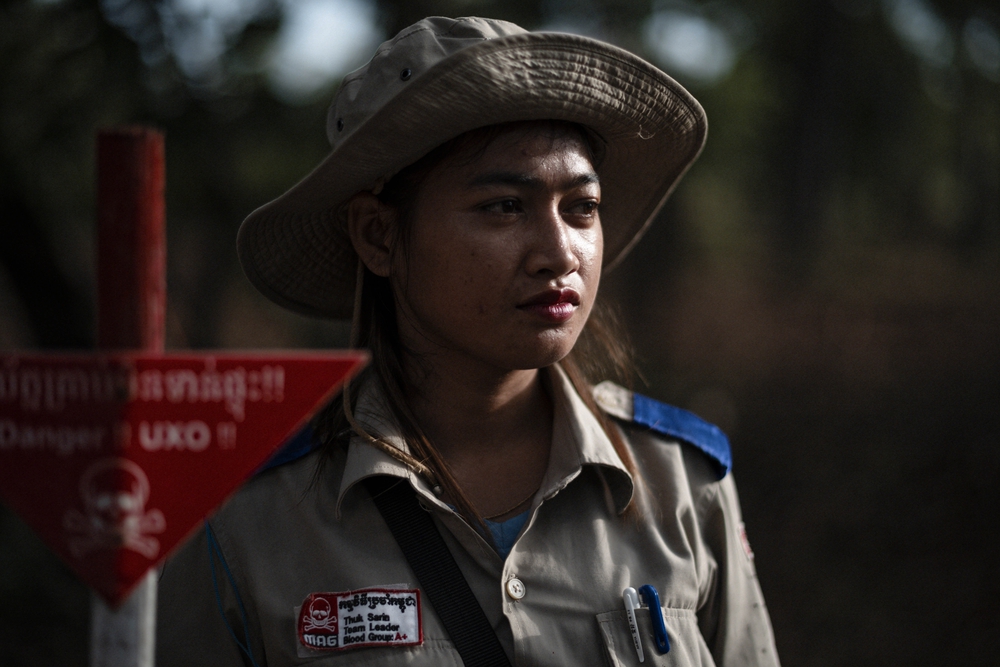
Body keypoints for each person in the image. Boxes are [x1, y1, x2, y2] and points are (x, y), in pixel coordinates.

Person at [157, 15, 780, 667]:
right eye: (503, 206)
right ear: (377, 236)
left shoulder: (682, 484)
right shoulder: (249, 515)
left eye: (582, 207)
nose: (558, 253)